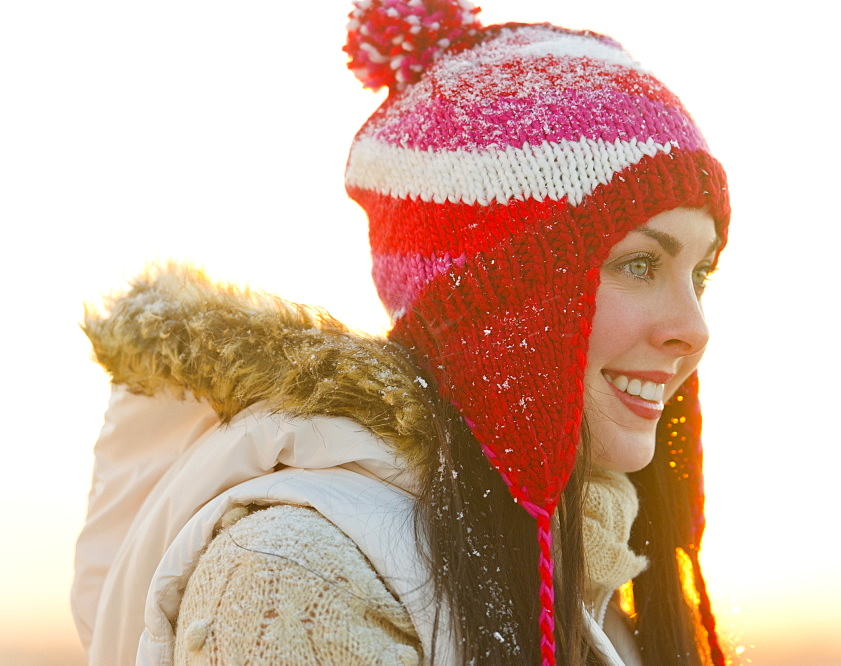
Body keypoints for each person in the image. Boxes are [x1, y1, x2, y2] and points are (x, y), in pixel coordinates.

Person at [71, 1, 731, 664]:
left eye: (698, 273)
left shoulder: (591, 584)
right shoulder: (303, 575)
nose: (693, 329)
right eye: (640, 263)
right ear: (499, 300)